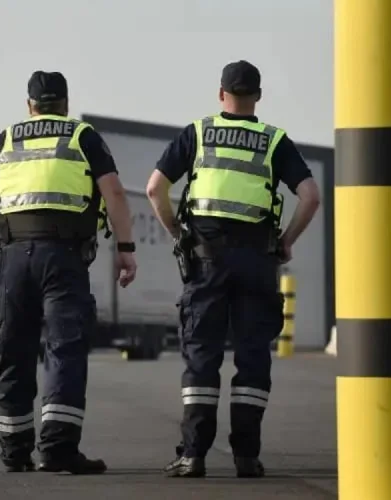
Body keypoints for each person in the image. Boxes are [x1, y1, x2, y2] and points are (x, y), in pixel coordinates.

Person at [0, 70, 138, 475]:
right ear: (66, 104)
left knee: (15, 349)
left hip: (15, 259)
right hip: (65, 258)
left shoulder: (8, 138)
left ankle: (14, 451)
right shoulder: (82, 136)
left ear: (29, 105)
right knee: (64, 349)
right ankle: (57, 449)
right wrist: (125, 249)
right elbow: (115, 192)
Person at [145, 60, 321, 479]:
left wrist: (177, 231)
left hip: (206, 261)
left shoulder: (199, 133)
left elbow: (155, 188)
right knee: (253, 356)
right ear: (258, 96)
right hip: (258, 261)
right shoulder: (274, 141)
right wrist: (287, 241)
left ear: (220, 93)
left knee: (202, 357)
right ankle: (246, 456)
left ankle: (193, 455)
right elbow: (311, 196)